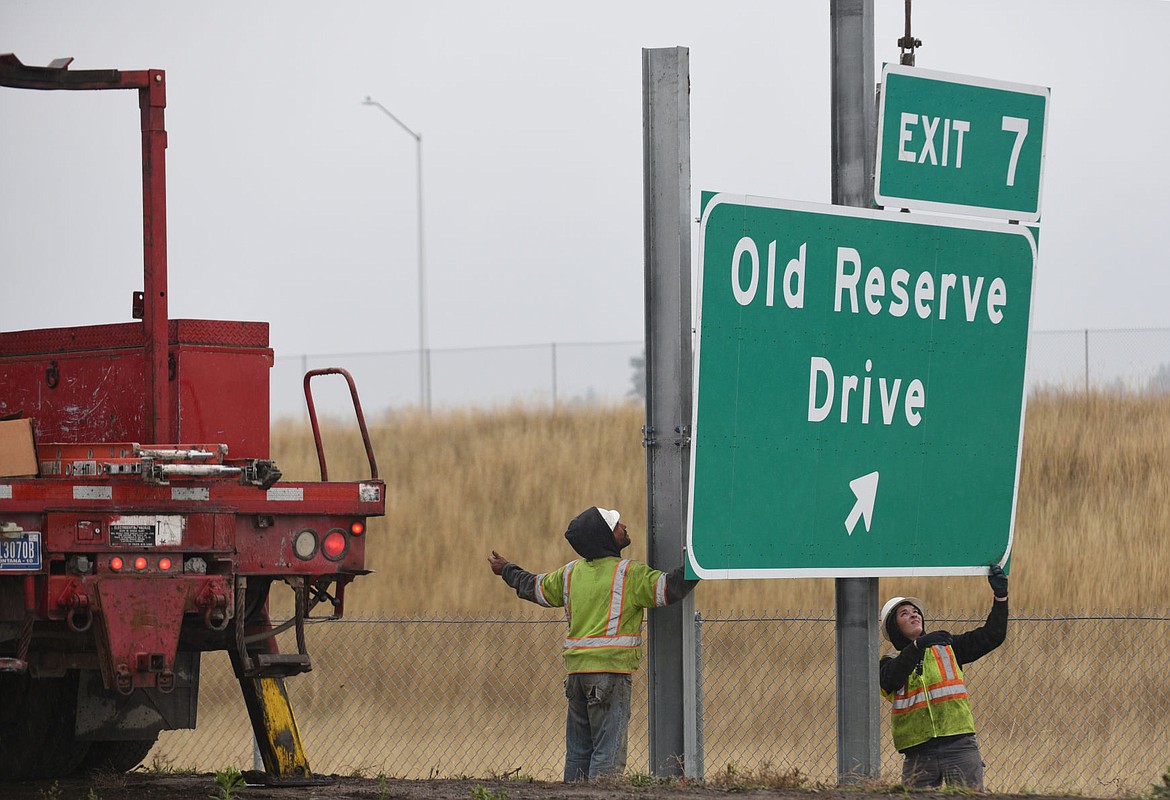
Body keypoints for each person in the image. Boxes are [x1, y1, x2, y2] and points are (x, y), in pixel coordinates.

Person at [488, 506, 697, 782]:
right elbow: (670, 588)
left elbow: (533, 587)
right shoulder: (627, 573)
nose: (624, 526)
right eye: (617, 525)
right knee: (607, 758)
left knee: (578, 753)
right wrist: (699, 561)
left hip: (576, 678)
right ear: (606, 537)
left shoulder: (570, 574)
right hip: (609, 675)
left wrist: (507, 570)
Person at [878, 565, 1009, 790]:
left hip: (959, 744)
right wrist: (918, 646)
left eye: (915, 611)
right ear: (894, 627)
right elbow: (890, 680)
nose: (914, 614)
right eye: (904, 613)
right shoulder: (888, 662)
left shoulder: (947, 646)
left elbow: (993, 635)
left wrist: (1001, 598)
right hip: (918, 751)